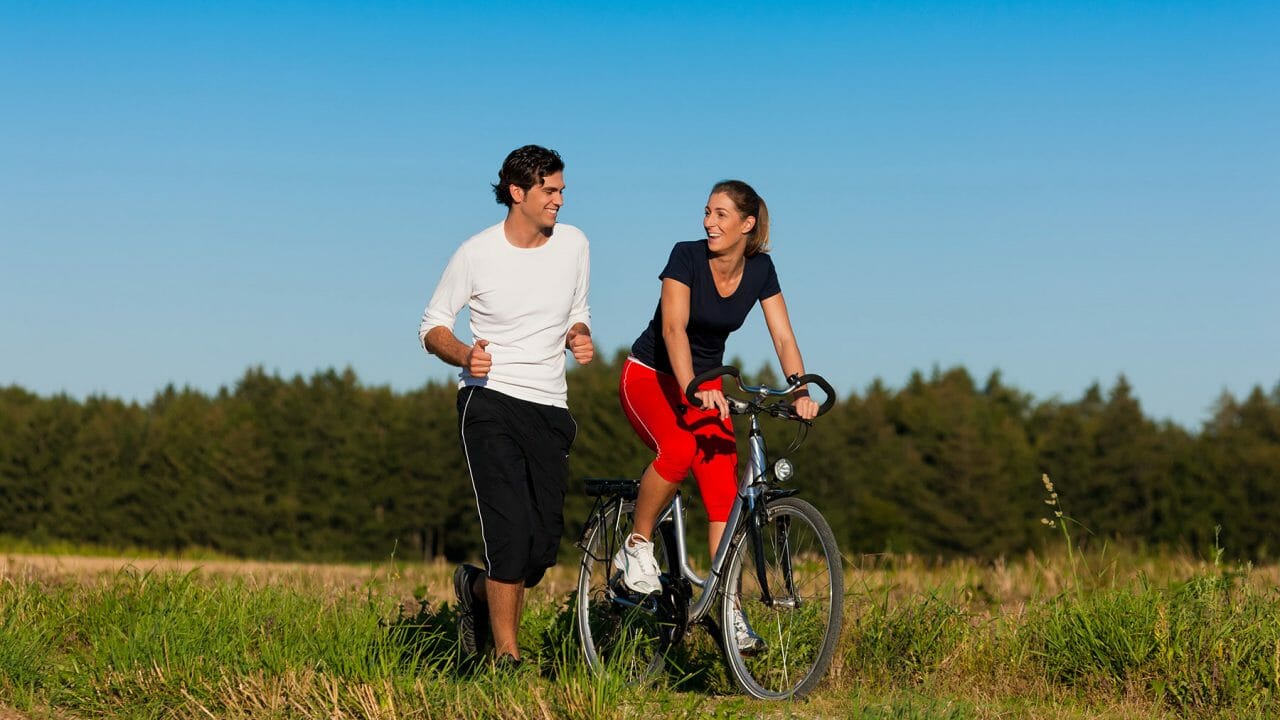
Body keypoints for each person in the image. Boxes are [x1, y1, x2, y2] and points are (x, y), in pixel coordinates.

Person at [613, 179, 818, 650]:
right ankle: (636, 547)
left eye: (721, 214)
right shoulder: (685, 256)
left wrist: (800, 389)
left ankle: (727, 606)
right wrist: (690, 386)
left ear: (748, 225)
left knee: (726, 490)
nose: (709, 222)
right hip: (651, 375)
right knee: (680, 448)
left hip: (704, 386)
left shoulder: (761, 270)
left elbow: (783, 338)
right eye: (707, 212)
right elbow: (673, 327)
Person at [419, 145, 593, 666]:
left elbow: (576, 312)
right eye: (551, 191)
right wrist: (464, 355)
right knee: (509, 538)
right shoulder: (476, 253)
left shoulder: (575, 245)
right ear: (517, 193)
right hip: (489, 402)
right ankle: (507, 660)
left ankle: (472, 589)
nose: (560, 200)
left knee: (537, 555)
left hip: (550, 407)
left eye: (562, 190)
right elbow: (432, 326)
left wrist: (578, 336)